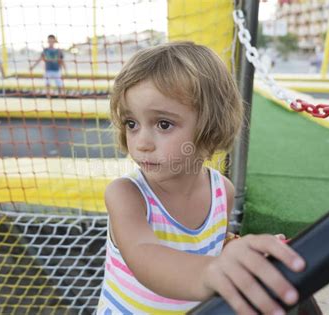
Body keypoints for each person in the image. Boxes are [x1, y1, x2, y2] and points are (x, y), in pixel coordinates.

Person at [97, 41, 306, 314]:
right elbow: (145, 254)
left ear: (211, 126)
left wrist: (237, 251)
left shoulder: (222, 192)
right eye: (131, 124)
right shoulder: (127, 195)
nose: (141, 143)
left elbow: (211, 244)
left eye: (163, 124)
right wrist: (212, 270)